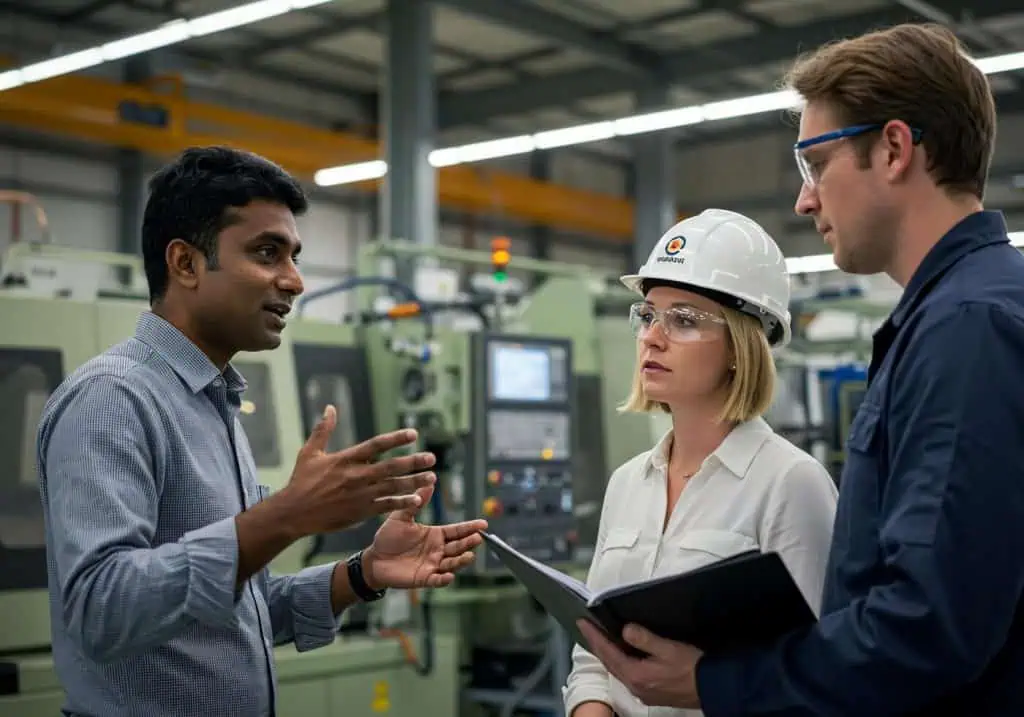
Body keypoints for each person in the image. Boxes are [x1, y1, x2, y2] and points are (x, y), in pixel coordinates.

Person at [575, 22, 1024, 717]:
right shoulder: (952, 318)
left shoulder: (967, 326)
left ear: (895, 148)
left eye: (815, 163)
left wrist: (715, 682)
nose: (804, 199)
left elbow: (929, 626)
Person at [36, 145, 488, 717]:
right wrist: (286, 517)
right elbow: (101, 611)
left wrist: (363, 574)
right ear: (185, 264)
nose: (295, 281)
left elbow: (229, 612)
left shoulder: (212, 403)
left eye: (294, 256)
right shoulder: (113, 399)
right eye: (267, 253)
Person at [563, 208, 839, 717]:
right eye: (647, 315)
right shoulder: (628, 482)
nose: (652, 336)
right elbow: (593, 655)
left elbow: (819, 672)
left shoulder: (791, 483)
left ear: (741, 345)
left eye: (684, 320)